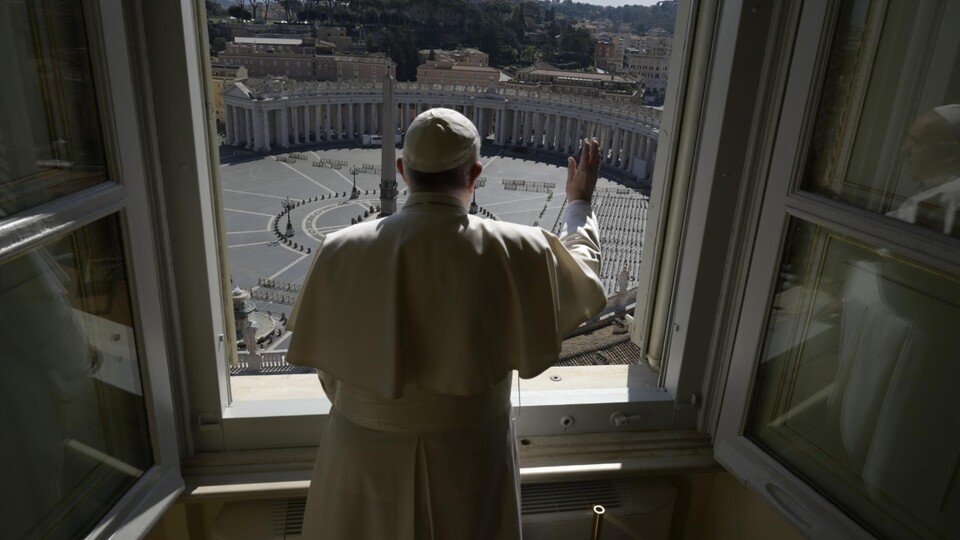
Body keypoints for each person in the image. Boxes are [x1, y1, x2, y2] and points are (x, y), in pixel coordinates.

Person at [286, 108, 606, 539]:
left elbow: (330, 372)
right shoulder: (521, 248)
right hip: (470, 460)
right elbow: (583, 275)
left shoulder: (338, 250)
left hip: (361, 460)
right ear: (476, 173)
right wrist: (579, 203)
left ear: (402, 171)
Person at [888, 104, 960, 236]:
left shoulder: (947, 197)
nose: (905, 149)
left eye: (916, 142)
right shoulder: (938, 185)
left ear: (950, 153)